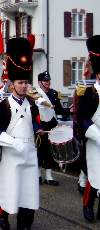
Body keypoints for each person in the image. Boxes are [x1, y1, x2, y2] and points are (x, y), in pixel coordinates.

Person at [0, 37, 43, 230]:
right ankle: (2, 212)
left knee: (28, 191)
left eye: (26, 83)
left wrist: (40, 130)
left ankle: (25, 223)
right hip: (12, 153)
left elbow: (36, 123)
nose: (24, 86)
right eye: (20, 82)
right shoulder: (4, 105)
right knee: (10, 189)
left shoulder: (32, 104)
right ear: (12, 84)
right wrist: (12, 143)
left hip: (29, 152)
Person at [77, 35, 100, 222]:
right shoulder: (88, 93)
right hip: (95, 141)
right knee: (94, 176)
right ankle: (87, 204)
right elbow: (82, 119)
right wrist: (97, 135)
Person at [35, 71, 67, 185]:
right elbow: (34, 112)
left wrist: (69, 110)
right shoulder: (35, 93)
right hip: (41, 125)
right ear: (40, 82)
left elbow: (59, 110)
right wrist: (37, 127)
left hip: (52, 125)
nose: (47, 83)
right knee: (39, 150)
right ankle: (37, 175)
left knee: (49, 151)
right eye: (45, 81)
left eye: (48, 81)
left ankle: (49, 177)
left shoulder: (54, 93)